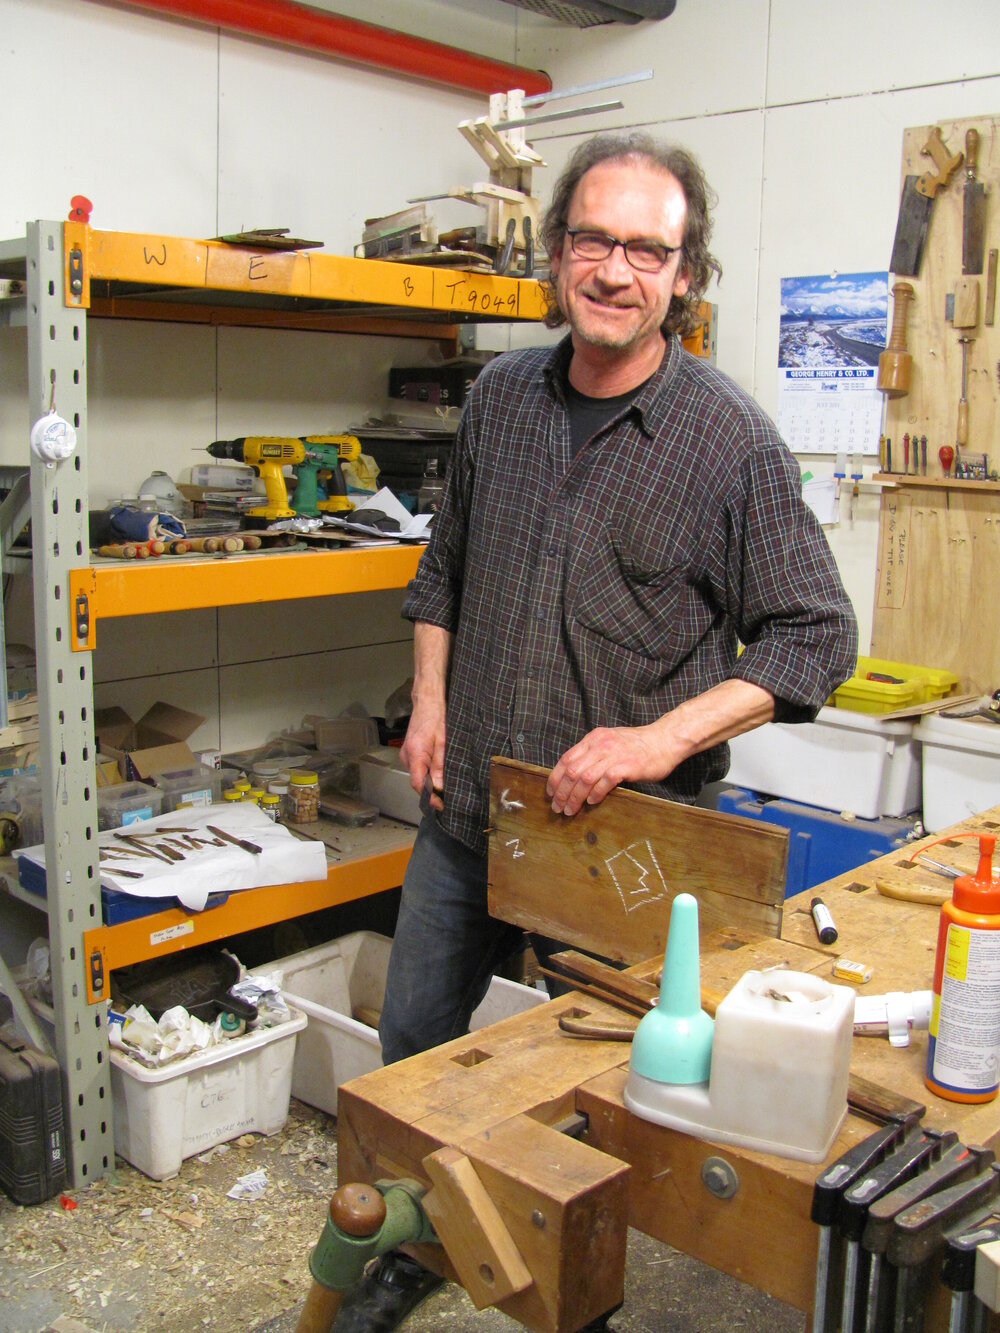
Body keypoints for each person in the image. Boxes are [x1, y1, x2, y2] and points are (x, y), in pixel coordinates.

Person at [331, 131, 858, 1333]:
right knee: (416, 1048)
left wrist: (658, 739)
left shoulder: (726, 440)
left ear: (684, 274)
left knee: (619, 1093)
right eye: (593, 239)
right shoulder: (502, 399)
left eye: (646, 248)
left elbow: (813, 636)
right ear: (558, 254)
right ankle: (410, 1250)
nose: (614, 269)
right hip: (475, 807)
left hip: (630, 839)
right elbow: (443, 568)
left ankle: (584, 1293)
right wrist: (430, 699)